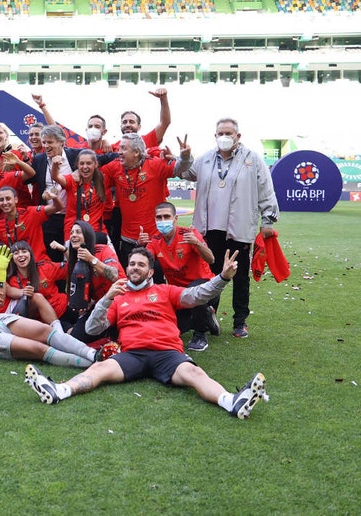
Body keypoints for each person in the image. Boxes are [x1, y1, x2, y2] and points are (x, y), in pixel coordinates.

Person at [24, 247, 270, 421]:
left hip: (167, 352)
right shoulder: (118, 298)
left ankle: (232, 402)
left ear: (150, 271)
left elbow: (197, 295)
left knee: (194, 373)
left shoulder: (165, 291)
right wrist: (107, 298)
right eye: (131, 264)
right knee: (99, 370)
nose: (135, 268)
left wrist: (223, 278)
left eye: (141, 265)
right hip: (133, 354)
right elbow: (91, 329)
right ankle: (59, 391)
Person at [176, 120, 280, 338]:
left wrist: (268, 220)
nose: (224, 136)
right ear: (215, 135)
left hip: (239, 228)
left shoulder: (252, 159)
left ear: (238, 136)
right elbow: (183, 173)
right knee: (210, 276)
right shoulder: (205, 159)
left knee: (240, 276)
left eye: (228, 133)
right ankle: (208, 316)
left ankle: (240, 321)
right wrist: (184, 157)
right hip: (208, 228)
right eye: (220, 133)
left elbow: (266, 190)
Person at [139, 202, 221, 351]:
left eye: (166, 216)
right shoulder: (155, 240)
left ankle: (200, 335)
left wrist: (197, 243)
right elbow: (142, 264)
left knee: (194, 290)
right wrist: (139, 247)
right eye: (159, 217)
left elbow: (211, 259)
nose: (163, 220)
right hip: (179, 294)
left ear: (175, 218)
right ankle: (207, 319)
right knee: (175, 328)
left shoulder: (189, 234)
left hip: (205, 288)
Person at [101, 133, 190, 267]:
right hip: (127, 239)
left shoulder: (155, 164)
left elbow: (179, 169)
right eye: (119, 148)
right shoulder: (114, 167)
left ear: (136, 152)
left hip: (155, 238)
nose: (119, 152)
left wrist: (185, 157)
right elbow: (96, 181)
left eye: (123, 148)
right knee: (131, 279)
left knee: (156, 281)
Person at [30, 125, 116, 262]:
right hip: (53, 217)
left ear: (61, 142)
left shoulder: (77, 155)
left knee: (102, 262)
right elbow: (38, 177)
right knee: (58, 259)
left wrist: (106, 143)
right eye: (44, 142)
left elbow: (106, 157)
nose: (46, 145)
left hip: (78, 220)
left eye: (50, 142)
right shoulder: (39, 159)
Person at [0, 186, 62, 263]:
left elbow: (57, 207)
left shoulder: (31, 213)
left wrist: (54, 197)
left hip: (38, 263)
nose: (5, 203)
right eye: (1, 200)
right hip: (17, 267)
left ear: (16, 199)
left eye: (8, 199)